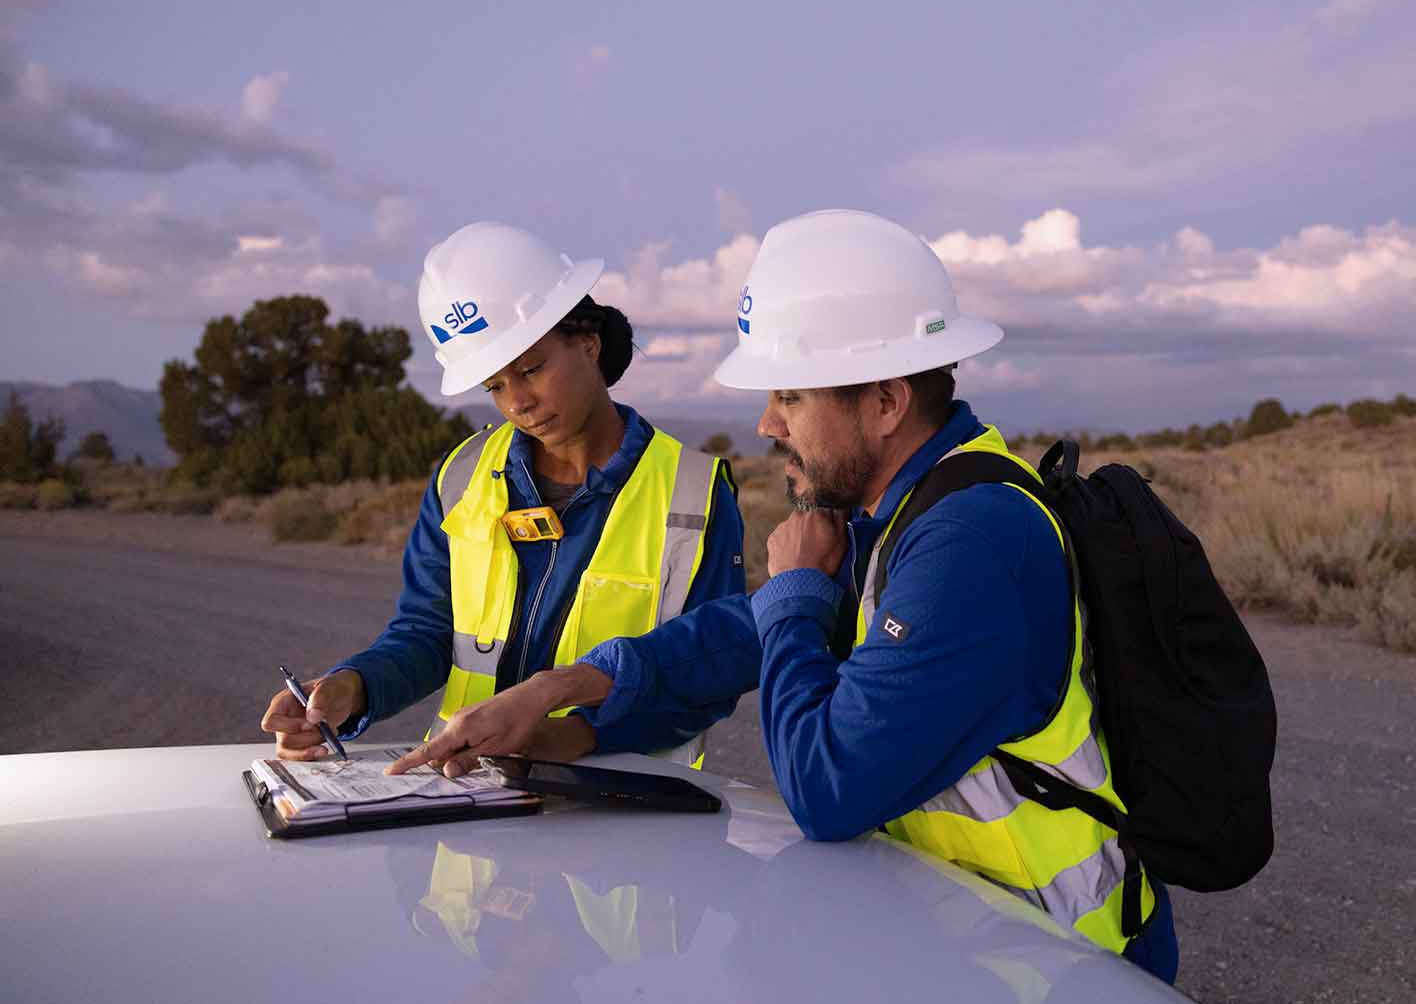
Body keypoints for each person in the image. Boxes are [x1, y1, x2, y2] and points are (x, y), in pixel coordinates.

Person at [389, 210, 1181, 983]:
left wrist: (797, 590)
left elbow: (826, 789)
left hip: (1054, 965)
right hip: (965, 938)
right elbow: (738, 635)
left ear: (885, 401)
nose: (767, 423)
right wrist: (561, 687)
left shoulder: (970, 541)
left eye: (791, 397)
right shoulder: (904, 510)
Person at [261, 221, 745, 766]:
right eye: (494, 384)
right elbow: (427, 632)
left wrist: (567, 737)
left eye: (531, 369)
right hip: (466, 791)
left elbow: (711, 669)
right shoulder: (462, 477)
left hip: (622, 801)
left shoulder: (695, 495)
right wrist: (353, 687)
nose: (518, 402)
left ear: (588, 343)